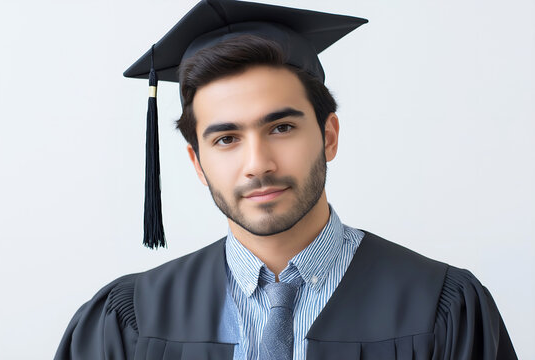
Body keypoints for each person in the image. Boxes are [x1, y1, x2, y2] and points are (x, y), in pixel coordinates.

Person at [55, 0, 517, 359]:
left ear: (329, 136)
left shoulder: (440, 306)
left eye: (281, 128)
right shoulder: (130, 319)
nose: (257, 164)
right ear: (197, 163)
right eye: (226, 139)